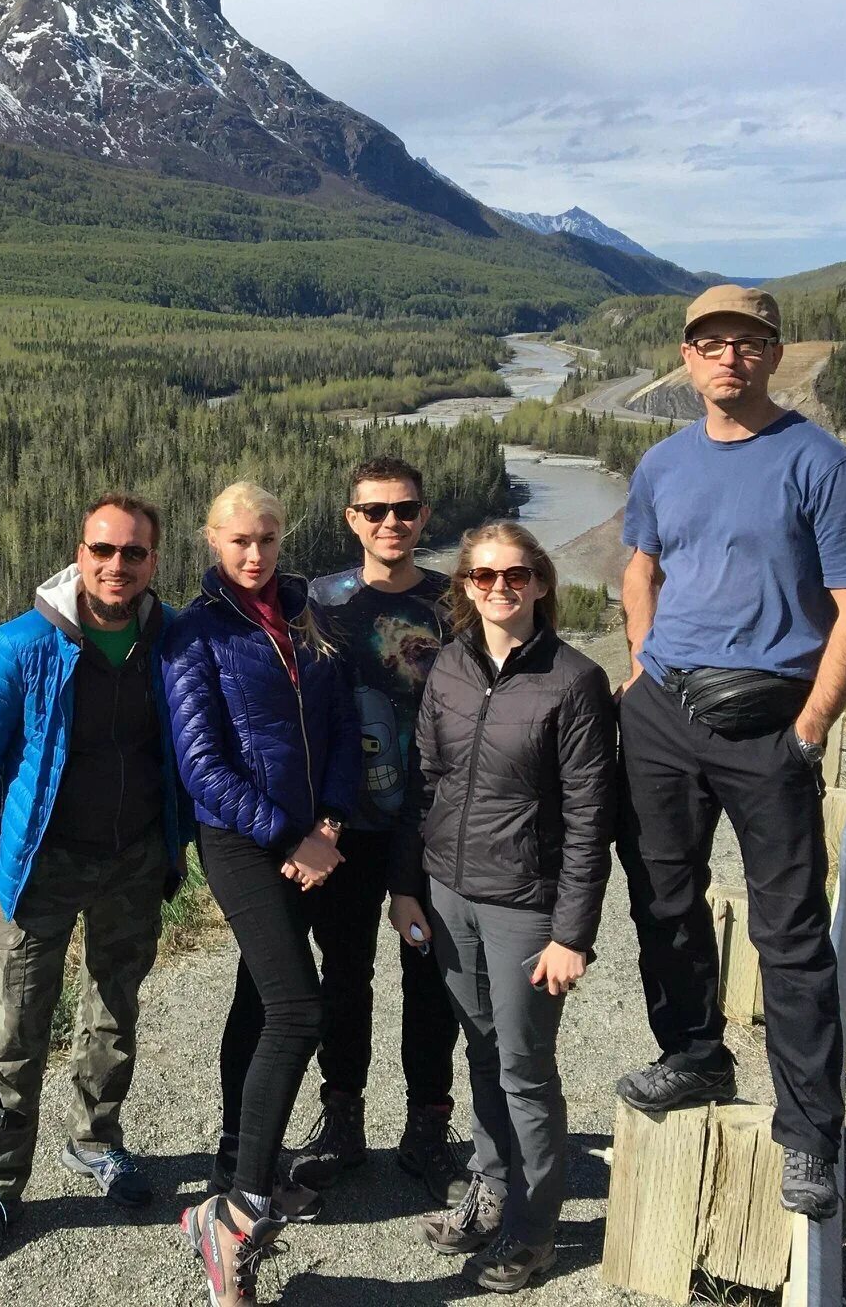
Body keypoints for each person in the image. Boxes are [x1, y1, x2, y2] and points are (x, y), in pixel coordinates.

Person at [615, 284, 846, 1221]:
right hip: (664, 714)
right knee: (661, 897)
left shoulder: (824, 466)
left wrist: (810, 729)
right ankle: (695, 1057)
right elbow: (641, 565)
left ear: (775, 357)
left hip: (771, 720)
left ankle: (810, 1134)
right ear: (687, 360)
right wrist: (641, 666)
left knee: (789, 933)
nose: (728, 358)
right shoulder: (663, 463)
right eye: (710, 344)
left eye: (747, 343)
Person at [0, 493, 191, 1261]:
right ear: (78, 554)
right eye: (102, 550)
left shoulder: (171, 639)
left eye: (133, 553)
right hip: (40, 864)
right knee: (18, 1024)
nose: (117, 565)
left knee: (113, 1009)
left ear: (155, 561)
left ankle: (96, 1139)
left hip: (135, 855)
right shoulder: (21, 645)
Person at [389, 521, 616, 1293]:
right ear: (465, 587)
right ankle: (490, 1193)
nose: (499, 589)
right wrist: (405, 886)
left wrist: (570, 935)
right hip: (449, 896)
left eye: (515, 575)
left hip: (526, 905)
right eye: (482, 577)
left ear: (541, 583)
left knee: (524, 1070)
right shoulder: (448, 666)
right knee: (479, 1052)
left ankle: (534, 1231)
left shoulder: (575, 681)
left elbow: (591, 819)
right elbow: (423, 783)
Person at [167, 481, 361, 1307]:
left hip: (312, 836)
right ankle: (238, 1214)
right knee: (297, 1007)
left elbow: (345, 727)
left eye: (269, 538)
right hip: (243, 841)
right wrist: (292, 837)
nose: (255, 554)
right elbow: (201, 765)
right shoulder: (195, 632)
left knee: (257, 996)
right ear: (212, 540)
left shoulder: (310, 614)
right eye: (239, 539)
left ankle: (235, 1164)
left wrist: (333, 822)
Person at [294, 456, 466, 1204]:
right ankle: (343, 1118)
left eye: (406, 509)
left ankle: (428, 1121)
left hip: (433, 823)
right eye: (376, 511)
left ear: (425, 516)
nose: (391, 522)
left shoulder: (455, 604)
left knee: (431, 973)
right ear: (351, 518)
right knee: (345, 972)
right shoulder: (317, 605)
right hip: (345, 824)